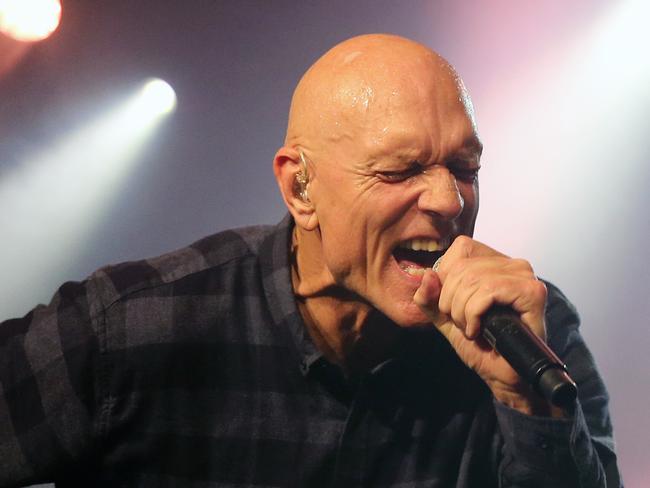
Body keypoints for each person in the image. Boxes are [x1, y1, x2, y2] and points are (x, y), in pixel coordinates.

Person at [0, 34, 621, 487]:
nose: (449, 200)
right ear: (301, 189)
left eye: (465, 168)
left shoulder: (533, 330)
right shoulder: (130, 329)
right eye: (399, 170)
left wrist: (527, 405)